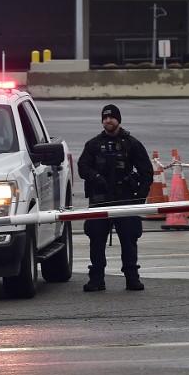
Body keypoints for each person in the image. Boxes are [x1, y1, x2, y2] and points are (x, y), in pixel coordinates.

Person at [76, 104, 153, 293]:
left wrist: (140, 199)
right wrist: (96, 178)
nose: (108, 120)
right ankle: (96, 279)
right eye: (105, 118)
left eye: (111, 117)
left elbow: (146, 171)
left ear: (119, 120)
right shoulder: (93, 145)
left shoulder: (131, 144)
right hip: (100, 200)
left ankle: (132, 278)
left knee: (129, 239)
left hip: (125, 199)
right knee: (96, 239)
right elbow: (82, 167)